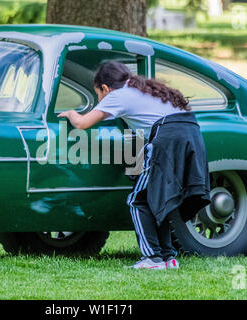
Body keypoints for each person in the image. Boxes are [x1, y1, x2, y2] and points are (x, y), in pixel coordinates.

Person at [58, 61, 211, 270]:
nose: (100, 100)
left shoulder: (117, 95)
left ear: (105, 88)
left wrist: (70, 114)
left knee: (138, 199)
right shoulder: (144, 88)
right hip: (190, 135)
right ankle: (168, 258)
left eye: (98, 95)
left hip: (167, 139)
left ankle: (152, 259)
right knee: (161, 199)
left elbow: (83, 123)